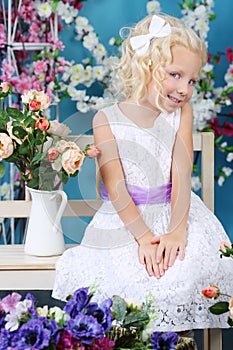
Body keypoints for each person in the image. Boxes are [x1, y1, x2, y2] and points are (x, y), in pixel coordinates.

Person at [52, 14, 232, 335]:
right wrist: (144, 239)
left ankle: (178, 338)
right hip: (126, 219)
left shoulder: (182, 114)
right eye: (175, 75)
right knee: (124, 274)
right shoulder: (106, 119)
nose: (184, 89)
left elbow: (180, 170)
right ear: (147, 66)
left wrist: (176, 232)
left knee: (185, 266)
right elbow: (116, 187)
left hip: (176, 209)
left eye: (191, 80)